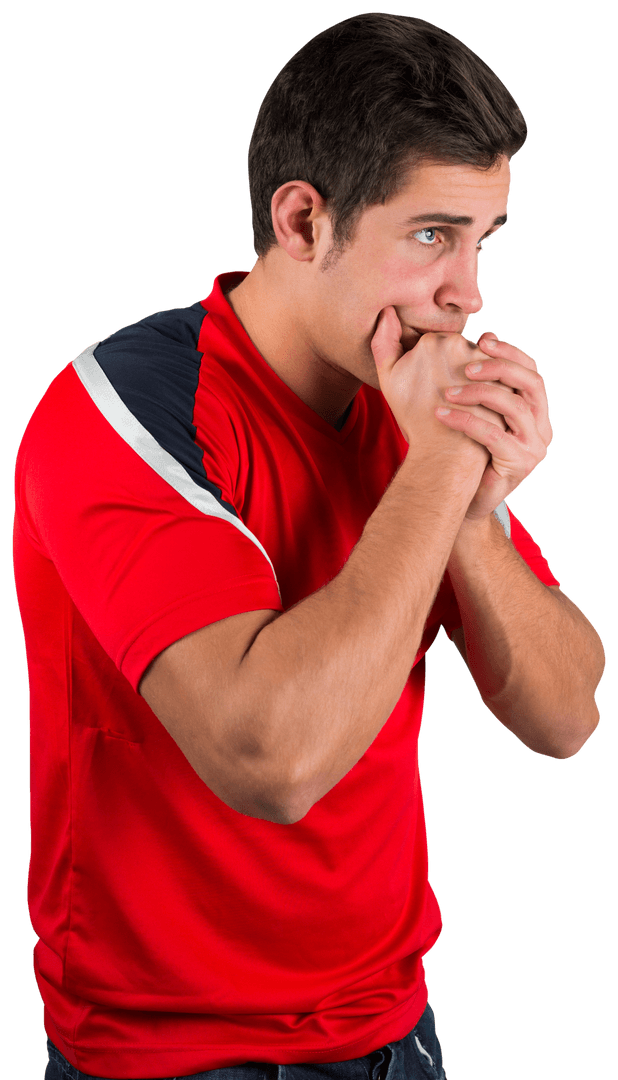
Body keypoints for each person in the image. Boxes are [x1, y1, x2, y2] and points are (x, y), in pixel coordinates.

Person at [13, 12, 605, 1080]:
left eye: (487, 238)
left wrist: (470, 508)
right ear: (300, 220)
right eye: (433, 235)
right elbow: (269, 760)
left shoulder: (410, 406)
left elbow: (567, 716)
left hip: (393, 1026)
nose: (468, 292)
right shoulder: (121, 410)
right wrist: (438, 470)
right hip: (167, 1053)